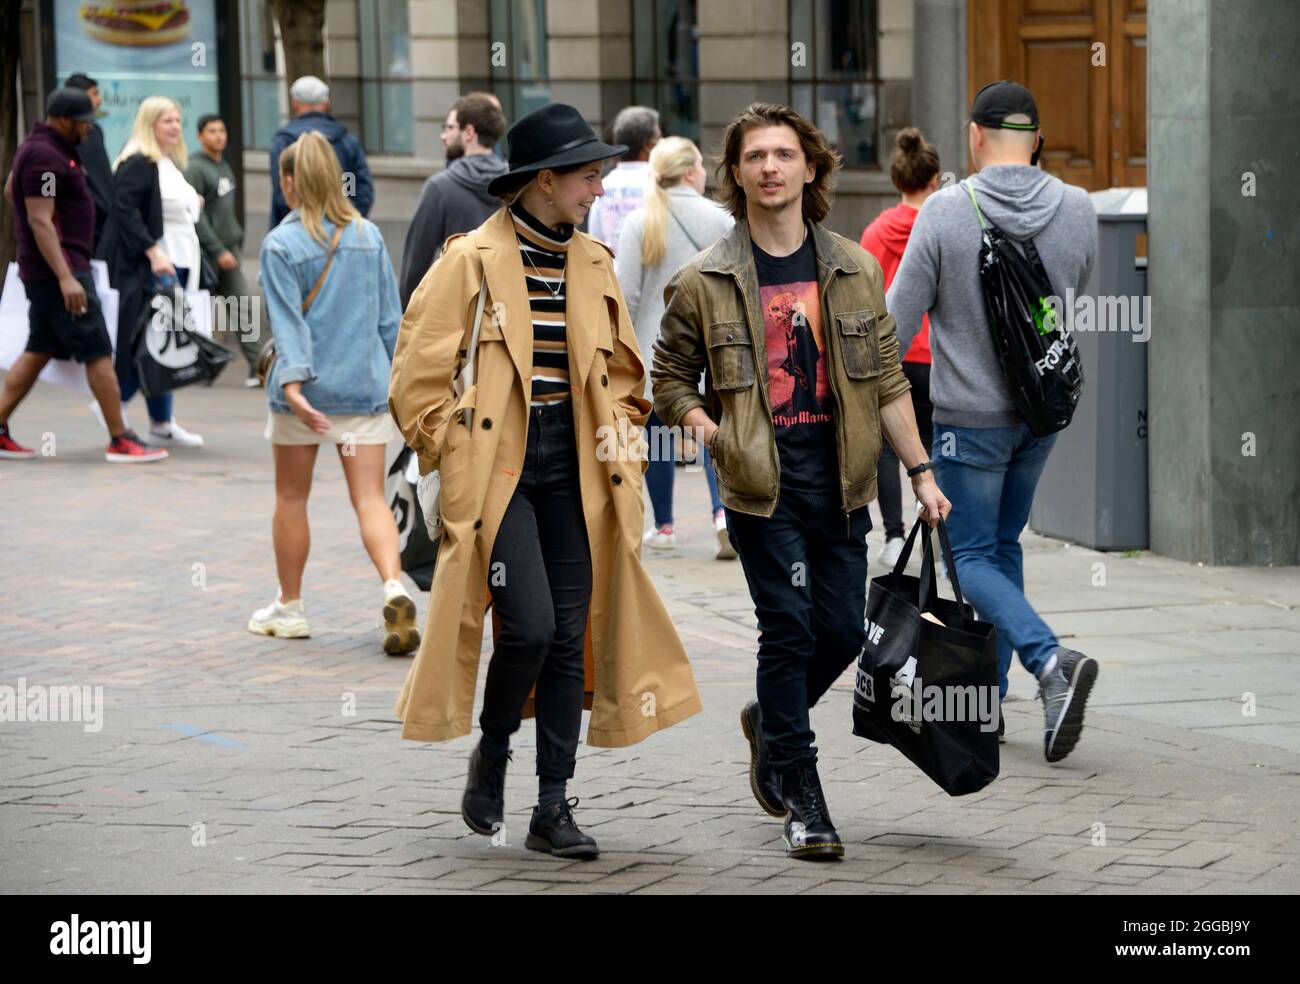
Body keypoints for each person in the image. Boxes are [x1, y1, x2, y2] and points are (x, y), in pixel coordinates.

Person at [389, 102, 703, 860]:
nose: (597, 188)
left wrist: (624, 430)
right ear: (542, 181)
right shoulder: (470, 258)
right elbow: (414, 381)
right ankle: (493, 749)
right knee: (526, 625)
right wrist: (452, 446)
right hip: (500, 466)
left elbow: (627, 370)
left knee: (570, 635)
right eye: (587, 176)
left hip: (582, 463)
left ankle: (552, 806)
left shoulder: (592, 261)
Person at [654, 102, 949, 861]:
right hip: (762, 485)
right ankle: (802, 790)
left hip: (844, 482)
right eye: (755, 157)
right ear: (737, 173)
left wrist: (919, 472)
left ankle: (770, 725)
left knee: (844, 631)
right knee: (786, 628)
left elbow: (887, 380)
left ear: (810, 167)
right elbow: (670, 379)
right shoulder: (707, 279)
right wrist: (712, 435)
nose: (770, 168)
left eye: (784, 154)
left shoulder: (854, 268)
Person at [887, 80, 1100, 763]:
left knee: (972, 556)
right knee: (1002, 549)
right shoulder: (1078, 208)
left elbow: (897, 321)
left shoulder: (946, 212)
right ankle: (994, 701)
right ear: (1036, 139)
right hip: (1042, 414)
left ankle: (1048, 662)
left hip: (967, 420)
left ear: (975, 136)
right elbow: (1071, 299)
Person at [249, 130, 418, 657]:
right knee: (370, 499)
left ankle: (291, 607)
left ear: (291, 181)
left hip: (308, 391)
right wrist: (402, 382)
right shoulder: (368, 236)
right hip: (364, 387)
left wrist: (294, 380)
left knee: (291, 497)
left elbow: (288, 322)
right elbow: (392, 321)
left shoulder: (281, 243)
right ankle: (393, 585)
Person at [0, 88, 166, 464]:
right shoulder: (44, 156)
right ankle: (120, 438)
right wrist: (65, 276)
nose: (90, 130)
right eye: (84, 123)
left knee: (40, 349)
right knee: (98, 351)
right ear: (63, 120)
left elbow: (13, 188)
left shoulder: (47, 149)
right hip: (61, 273)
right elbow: (40, 220)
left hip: (54, 270)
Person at [614, 136, 735, 557]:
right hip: (714, 348)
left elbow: (624, 295)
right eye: (701, 164)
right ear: (688, 171)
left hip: (654, 352)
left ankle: (664, 525)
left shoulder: (638, 222)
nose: (705, 172)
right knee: (712, 432)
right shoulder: (720, 219)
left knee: (658, 438)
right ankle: (723, 514)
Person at [95, 96, 204, 448]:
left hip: (177, 259)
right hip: (156, 263)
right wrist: (154, 251)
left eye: (177, 120)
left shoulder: (165, 162)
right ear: (149, 124)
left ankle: (160, 420)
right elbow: (124, 210)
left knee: (165, 341)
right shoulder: (139, 162)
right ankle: (116, 401)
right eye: (167, 121)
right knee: (149, 340)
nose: (175, 126)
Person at [860, 127, 940, 568]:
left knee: (889, 451)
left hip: (891, 355)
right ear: (934, 178)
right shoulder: (942, 228)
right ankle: (939, 538)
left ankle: (893, 537)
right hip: (936, 354)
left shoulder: (875, 231)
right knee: (937, 445)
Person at [398, 93, 509, 308]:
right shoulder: (516, 185)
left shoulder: (439, 188)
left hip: (457, 316)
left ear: (469, 133)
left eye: (449, 128)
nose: (443, 135)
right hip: (508, 314)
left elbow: (415, 266)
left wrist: (408, 314)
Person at [185, 113, 261, 386]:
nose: (218, 135)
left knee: (242, 306)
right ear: (200, 136)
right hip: (207, 253)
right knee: (196, 311)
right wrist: (218, 251)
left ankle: (258, 367)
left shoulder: (224, 165)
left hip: (230, 248)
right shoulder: (194, 168)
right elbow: (197, 216)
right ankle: (194, 367)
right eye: (212, 131)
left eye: (222, 130)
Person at [268, 76, 373, 228]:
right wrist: (347, 220)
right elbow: (357, 187)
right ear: (326, 103)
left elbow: (282, 193)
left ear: (295, 103)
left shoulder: (283, 142)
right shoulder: (346, 141)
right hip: (342, 232)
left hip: (295, 235)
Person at [586, 106, 660, 253]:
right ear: (647, 145)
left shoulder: (603, 186)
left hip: (611, 273)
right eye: (658, 140)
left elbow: (595, 241)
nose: (661, 145)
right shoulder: (661, 185)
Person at [62, 73, 112, 251]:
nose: (99, 100)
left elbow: (101, 176)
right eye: (94, 94)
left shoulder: (95, 132)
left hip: (101, 225)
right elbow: (44, 199)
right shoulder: (45, 149)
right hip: (76, 234)